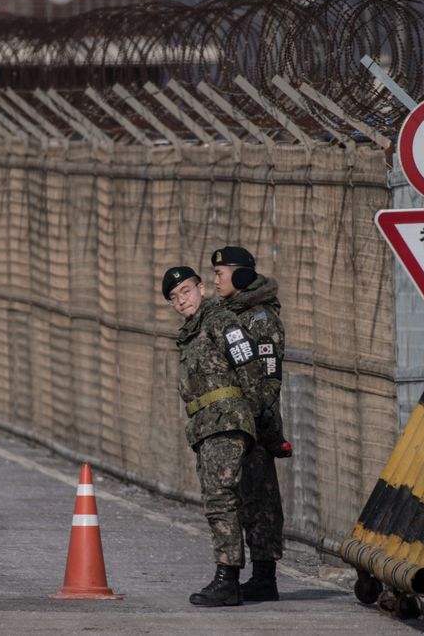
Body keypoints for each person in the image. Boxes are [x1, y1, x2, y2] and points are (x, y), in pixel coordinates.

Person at [161, 265, 259, 607]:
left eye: (185, 291)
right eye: (174, 298)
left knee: (221, 498)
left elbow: (248, 367)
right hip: (208, 424)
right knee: (219, 498)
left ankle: (227, 579)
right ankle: (229, 577)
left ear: (201, 289)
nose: (181, 301)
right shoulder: (193, 330)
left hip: (226, 420)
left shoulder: (219, 321)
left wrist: (256, 417)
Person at [211, 246, 290, 602]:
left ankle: (264, 577)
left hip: (256, 421)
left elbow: (266, 378)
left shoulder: (260, 318)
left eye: (220, 272)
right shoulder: (230, 312)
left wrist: (259, 422)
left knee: (260, 497)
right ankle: (256, 575)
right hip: (237, 419)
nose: (215, 280)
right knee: (242, 497)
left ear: (241, 275)